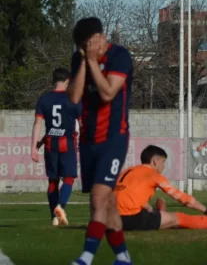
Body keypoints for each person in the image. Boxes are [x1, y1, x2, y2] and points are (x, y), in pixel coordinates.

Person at [69, 17, 133, 265]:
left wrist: (94, 61)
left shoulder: (120, 56)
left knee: (97, 197)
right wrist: (86, 61)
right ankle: (123, 257)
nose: (82, 51)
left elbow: (107, 92)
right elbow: (74, 97)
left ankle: (85, 258)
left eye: (85, 45)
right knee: (108, 204)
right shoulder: (80, 59)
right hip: (88, 139)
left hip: (113, 138)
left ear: (99, 37)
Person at [115, 145, 207, 231]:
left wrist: (147, 207)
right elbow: (183, 199)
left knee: (156, 215)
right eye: (163, 162)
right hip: (130, 219)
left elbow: (126, 196)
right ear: (154, 161)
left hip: (112, 218)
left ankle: (158, 214)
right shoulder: (153, 175)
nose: (164, 166)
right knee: (180, 218)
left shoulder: (129, 171)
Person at [31, 68, 82, 226]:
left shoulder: (44, 99)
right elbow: (82, 123)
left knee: (53, 181)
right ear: (68, 81)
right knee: (68, 178)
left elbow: (38, 124)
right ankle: (60, 208)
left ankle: (54, 216)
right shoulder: (73, 99)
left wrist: (34, 147)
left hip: (50, 144)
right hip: (66, 142)